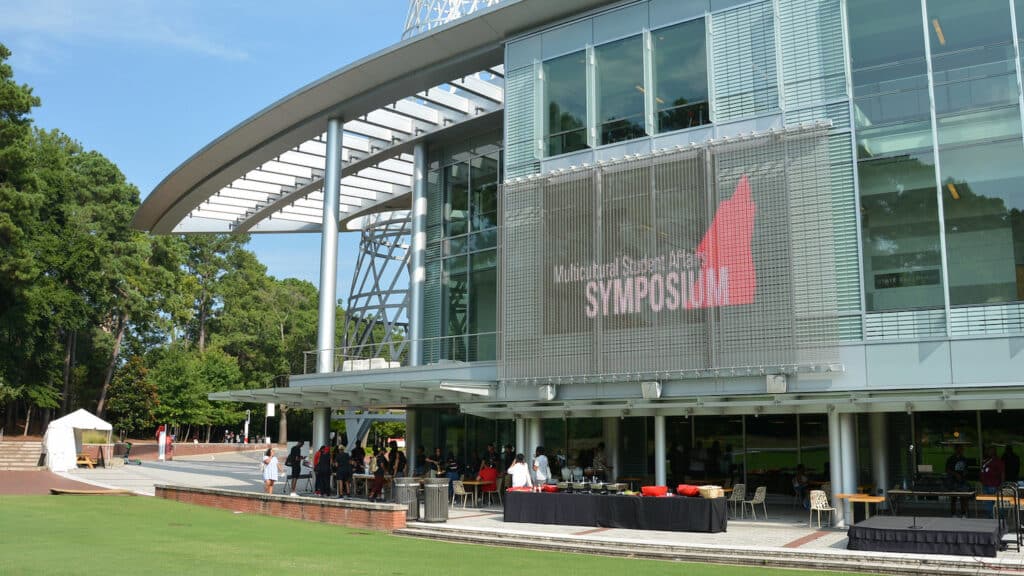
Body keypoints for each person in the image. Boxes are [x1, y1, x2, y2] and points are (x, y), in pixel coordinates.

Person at [945, 445, 970, 518]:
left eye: (961, 450)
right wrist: (955, 474)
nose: (960, 451)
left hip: (962, 481)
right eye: (959, 449)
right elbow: (947, 470)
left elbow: (966, 469)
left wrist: (965, 473)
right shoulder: (951, 459)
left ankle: (963, 513)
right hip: (953, 481)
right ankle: (953, 514)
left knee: (963, 498)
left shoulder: (964, 459)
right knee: (954, 498)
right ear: (955, 450)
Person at [980, 445, 1005, 517]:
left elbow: (1002, 473)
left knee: (997, 502)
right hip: (985, 484)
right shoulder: (985, 461)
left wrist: (1001, 484)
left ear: (994, 452)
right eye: (988, 451)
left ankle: (1000, 517)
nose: (989, 452)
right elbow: (982, 471)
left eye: (991, 450)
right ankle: (990, 517)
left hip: (994, 484)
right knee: (988, 503)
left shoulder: (998, 461)